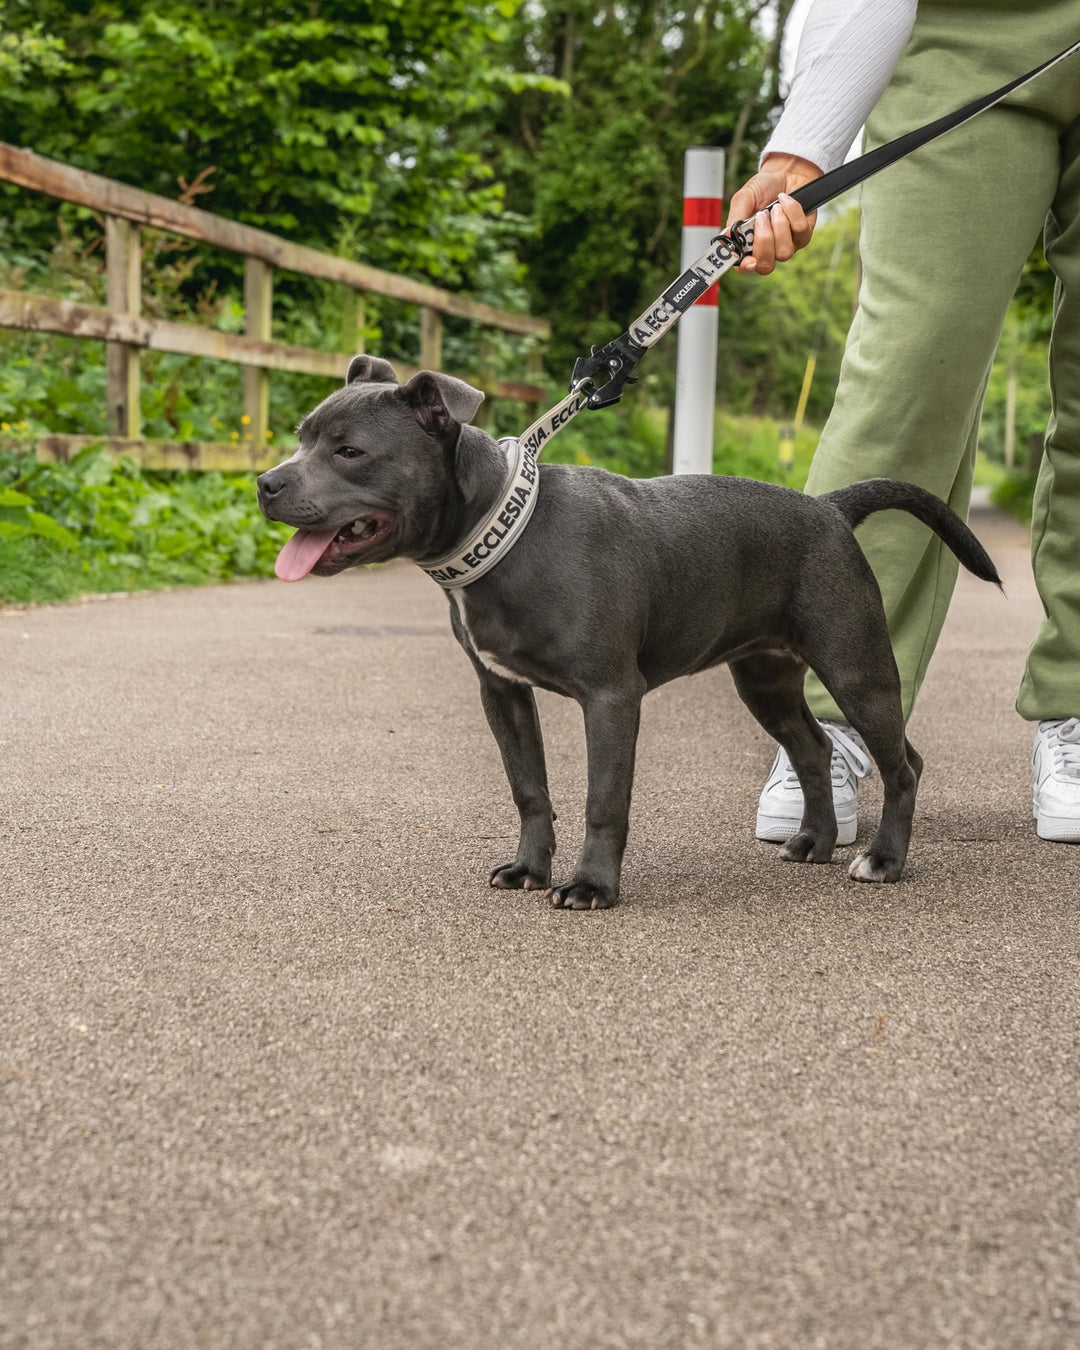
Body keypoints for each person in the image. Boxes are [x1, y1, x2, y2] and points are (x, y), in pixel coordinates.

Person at [727, 0, 1080, 846]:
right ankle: (833, 717)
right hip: (964, 34)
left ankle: (1076, 704)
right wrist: (802, 145)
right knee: (912, 370)